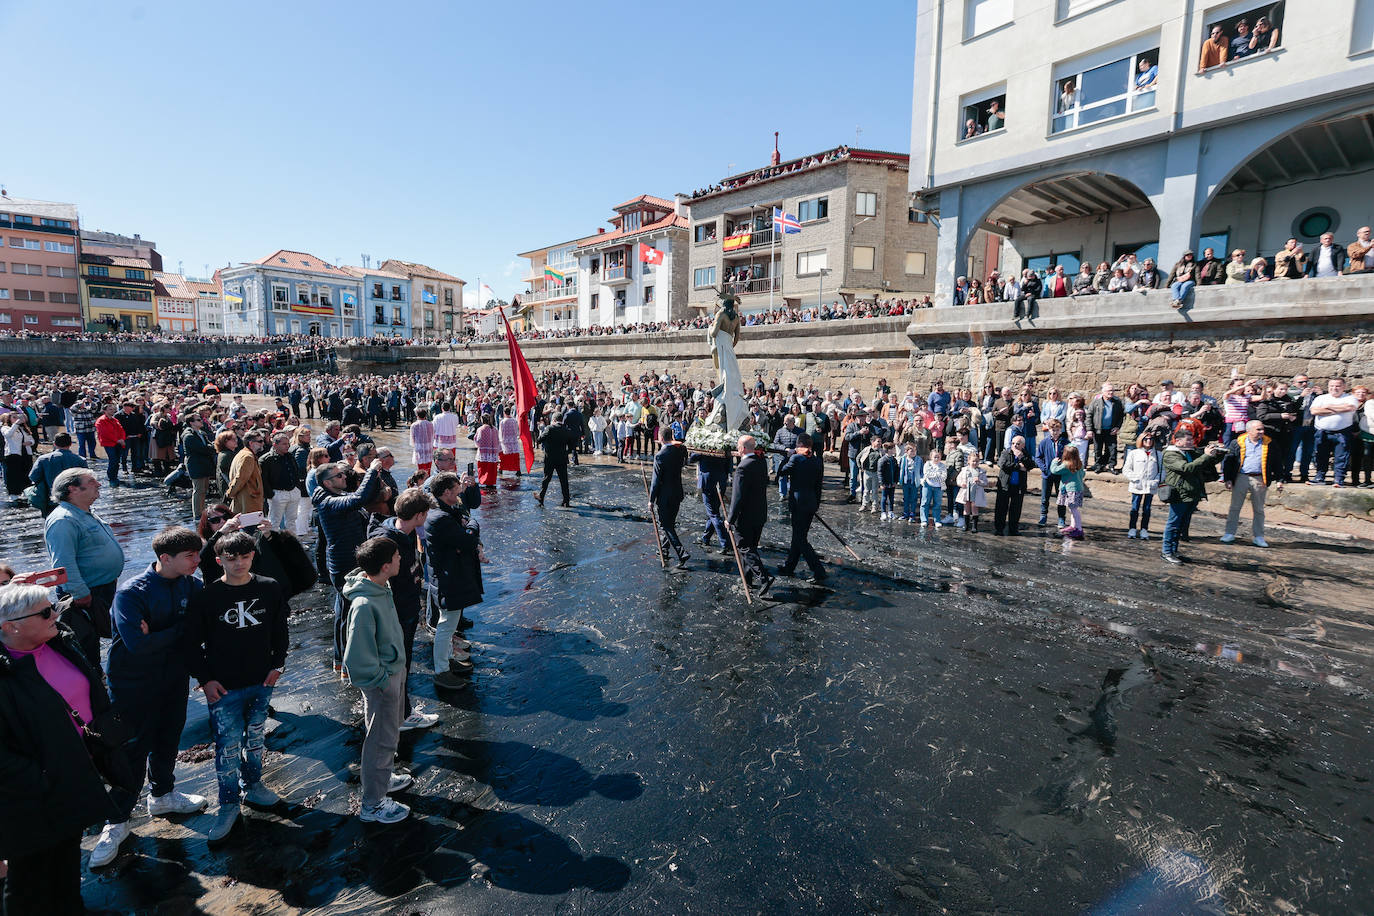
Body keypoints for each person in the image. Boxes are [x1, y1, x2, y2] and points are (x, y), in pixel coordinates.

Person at [91, 526, 210, 869]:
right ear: (165, 558)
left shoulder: (192, 584)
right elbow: (137, 646)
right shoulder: (131, 593)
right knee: (132, 747)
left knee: (169, 734)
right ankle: (116, 820)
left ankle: (163, 794)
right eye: (190, 556)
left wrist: (164, 633)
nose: (196, 562)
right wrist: (180, 630)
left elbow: (198, 629)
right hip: (133, 682)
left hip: (173, 676)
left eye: (197, 555)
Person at [0, 583, 121, 915]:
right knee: (30, 879)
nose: (55, 613)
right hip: (29, 795)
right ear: (11, 627)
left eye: (53, 605)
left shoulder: (59, 638)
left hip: (74, 775)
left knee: (67, 862)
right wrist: (42, 778)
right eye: (44, 612)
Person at [184, 531, 290, 843]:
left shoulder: (269, 588)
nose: (239, 563)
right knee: (227, 747)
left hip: (261, 680)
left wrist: (278, 664)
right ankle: (228, 804)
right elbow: (191, 644)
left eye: (245, 557)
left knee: (255, 738)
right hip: (224, 687)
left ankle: (254, 786)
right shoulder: (207, 596)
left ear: (253, 557)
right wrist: (205, 679)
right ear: (219, 561)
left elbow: (279, 629)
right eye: (231, 559)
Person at [341, 537, 413, 824]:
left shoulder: (380, 587)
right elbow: (356, 657)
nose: (400, 559)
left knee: (389, 733)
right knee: (380, 741)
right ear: (385, 566)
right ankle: (373, 804)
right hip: (382, 681)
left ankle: (383, 779)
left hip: (392, 673)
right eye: (396, 556)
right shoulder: (364, 603)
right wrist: (382, 679)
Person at [369, 488, 440, 728]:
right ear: (419, 515)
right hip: (397, 612)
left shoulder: (396, 531)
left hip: (403, 608)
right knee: (399, 664)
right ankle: (400, 716)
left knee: (400, 664)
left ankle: (399, 710)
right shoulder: (389, 541)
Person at [44, 468, 125, 666]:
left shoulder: (83, 513)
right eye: (91, 481)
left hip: (100, 589)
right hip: (85, 594)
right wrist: (80, 593)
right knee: (86, 644)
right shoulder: (63, 520)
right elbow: (63, 562)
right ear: (73, 489)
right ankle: (94, 683)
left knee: (102, 634)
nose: (98, 484)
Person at [313, 461, 385, 674]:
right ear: (327, 482)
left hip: (349, 560)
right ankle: (346, 663)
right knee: (347, 615)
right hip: (344, 564)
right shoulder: (327, 502)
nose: (345, 478)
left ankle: (342, 660)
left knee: (343, 612)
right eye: (339, 476)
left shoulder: (334, 497)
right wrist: (371, 470)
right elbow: (359, 498)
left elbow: (363, 499)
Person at [424, 473, 483, 690]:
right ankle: (441, 670)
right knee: (447, 625)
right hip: (448, 577)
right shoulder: (440, 517)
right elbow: (466, 539)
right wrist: (473, 524)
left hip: (449, 575)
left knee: (449, 623)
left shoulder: (445, 511)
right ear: (446, 492)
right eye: (457, 486)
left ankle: (448, 660)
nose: (460, 489)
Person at [1160, 426, 1226, 564]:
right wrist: (1206, 455)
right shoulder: (1171, 454)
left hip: (1192, 492)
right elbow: (1187, 468)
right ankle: (1166, 551)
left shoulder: (1189, 452)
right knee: (1173, 523)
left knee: (1182, 525)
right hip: (1179, 493)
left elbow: (1206, 461)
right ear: (1177, 441)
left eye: (1192, 440)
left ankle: (1174, 550)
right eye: (1188, 440)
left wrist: (1218, 453)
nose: (1191, 442)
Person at [726, 435, 774, 595]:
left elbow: (737, 497)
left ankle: (764, 577)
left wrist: (730, 519)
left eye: (739, 446)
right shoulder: (761, 462)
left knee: (744, 546)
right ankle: (748, 579)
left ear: (744, 448)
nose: (738, 449)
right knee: (751, 546)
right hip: (760, 512)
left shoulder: (742, 467)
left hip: (745, 516)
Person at [776, 432, 827, 582]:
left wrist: (787, 456)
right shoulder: (818, 461)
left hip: (798, 504)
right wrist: (816, 504)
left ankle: (818, 570)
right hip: (810, 503)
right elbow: (818, 487)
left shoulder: (796, 458)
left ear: (798, 445)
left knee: (800, 539)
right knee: (797, 536)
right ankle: (789, 566)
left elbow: (781, 472)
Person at [1220, 420, 1273, 548]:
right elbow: (1229, 461)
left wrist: (1280, 479)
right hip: (1241, 477)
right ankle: (1229, 533)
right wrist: (1228, 479)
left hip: (1259, 478)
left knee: (1259, 509)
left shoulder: (1270, 443)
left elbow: (1276, 461)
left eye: (1262, 429)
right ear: (1248, 431)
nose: (1261, 432)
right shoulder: (1237, 442)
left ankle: (1258, 536)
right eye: (1258, 430)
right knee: (1235, 507)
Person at [649, 427, 690, 568]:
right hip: (677, 493)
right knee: (669, 524)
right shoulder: (678, 451)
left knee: (666, 526)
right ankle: (664, 549)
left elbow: (655, 481)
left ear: (660, 438)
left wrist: (651, 500)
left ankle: (681, 552)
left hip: (665, 496)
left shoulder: (660, 455)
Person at [1310, 377, 1360, 487]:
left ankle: (1339, 479)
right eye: (1331, 386)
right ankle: (1319, 477)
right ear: (1328, 387)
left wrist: (1328, 407)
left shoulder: (1350, 398)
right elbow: (1314, 411)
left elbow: (1349, 408)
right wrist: (1337, 410)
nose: (1334, 388)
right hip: (1322, 432)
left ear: (1344, 387)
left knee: (1341, 457)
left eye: (1337, 386)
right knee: (1320, 456)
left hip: (1342, 432)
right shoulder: (1320, 398)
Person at [27, 432, 86, 518]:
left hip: (51, 500)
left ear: (54, 444)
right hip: (75, 501)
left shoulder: (43, 459)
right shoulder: (80, 460)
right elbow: (86, 481)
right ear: (70, 444)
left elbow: (33, 477)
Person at [261, 432, 307, 537]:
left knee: (292, 521)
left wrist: (297, 488)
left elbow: (295, 472)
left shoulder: (289, 456)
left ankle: (293, 543)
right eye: (284, 444)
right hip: (277, 493)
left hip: (293, 491)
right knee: (274, 522)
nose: (287, 446)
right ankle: (273, 546)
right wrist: (271, 495)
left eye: (288, 443)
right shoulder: (266, 459)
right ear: (275, 444)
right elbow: (263, 480)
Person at [994, 435, 1035, 536]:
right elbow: (1002, 464)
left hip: (1018, 486)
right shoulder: (1006, 453)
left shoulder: (1025, 454)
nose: (1015, 446)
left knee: (1016, 509)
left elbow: (1031, 465)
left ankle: (1013, 529)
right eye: (1013, 443)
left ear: (1023, 445)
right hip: (1005, 485)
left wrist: (1022, 458)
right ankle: (999, 529)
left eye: (1017, 444)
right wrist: (1018, 467)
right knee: (1001, 508)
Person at [181, 414, 217, 522]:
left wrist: (211, 446)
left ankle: (201, 511)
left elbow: (208, 446)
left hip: (203, 464)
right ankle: (197, 514)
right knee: (198, 489)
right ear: (191, 422)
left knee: (203, 489)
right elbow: (203, 448)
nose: (201, 421)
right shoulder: (189, 435)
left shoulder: (201, 433)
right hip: (196, 465)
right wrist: (213, 446)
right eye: (198, 420)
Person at [536, 413, 574, 507]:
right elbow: (571, 447)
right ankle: (566, 500)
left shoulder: (550, 428)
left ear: (554, 419)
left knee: (547, 478)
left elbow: (539, 439)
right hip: (562, 458)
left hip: (550, 458)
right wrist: (565, 453)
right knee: (564, 480)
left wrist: (544, 431)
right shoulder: (567, 430)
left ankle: (541, 497)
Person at [1035, 419, 1068, 527]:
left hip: (1061, 475)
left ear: (1061, 430)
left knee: (1061, 497)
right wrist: (1044, 468)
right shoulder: (1044, 442)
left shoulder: (1065, 443)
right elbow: (1038, 457)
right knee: (1045, 497)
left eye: (1057, 430)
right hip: (1047, 474)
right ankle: (1043, 516)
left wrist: (1064, 466)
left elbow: (1070, 457)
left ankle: (1061, 518)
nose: (1055, 432)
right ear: (1049, 430)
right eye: (1053, 430)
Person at [226, 430, 266, 515]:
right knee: (249, 527)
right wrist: (230, 493)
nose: (263, 443)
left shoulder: (245, 454)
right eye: (260, 441)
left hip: (247, 501)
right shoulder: (248, 457)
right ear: (251, 443)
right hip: (248, 502)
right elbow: (240, 478)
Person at [1050, 445, 1086, 539]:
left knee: (1074, 509)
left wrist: (1054, 462)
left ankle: (1079, 529)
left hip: (1071, 490)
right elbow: (1083, 474)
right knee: (1072, 508)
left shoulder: (1066, 464)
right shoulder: (1079, 463)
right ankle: (1073, 526)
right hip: (1078, 489)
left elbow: (1054, 470)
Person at [1088, 383, 1124, 473]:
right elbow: (1089, 415)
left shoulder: (1117, 402)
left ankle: (1111, 466)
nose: (1111, 392)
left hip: (1111, 430)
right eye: (1109, 391)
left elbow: (1121, 416)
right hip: (1098, 429)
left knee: (1112, 449)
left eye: (1112, 390)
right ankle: (1098, 465)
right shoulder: (1096, 401)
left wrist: (1117, 427)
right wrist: (1089, 429)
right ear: (1103, 392)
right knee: (1098, 449)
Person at [956, 452, 988, 533]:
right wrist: (961, 484)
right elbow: (958, 479)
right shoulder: (964, 470)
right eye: (973, 461)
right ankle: (966, 525)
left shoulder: (981, 472)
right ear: (969, 461)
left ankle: (974, 526)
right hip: (966, 492)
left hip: (976, 493)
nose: (975, 463)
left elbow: (985, 483)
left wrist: (979, 481)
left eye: (977, 461)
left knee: (974, 509)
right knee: (966, 508)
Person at [920, 451, 946, 527]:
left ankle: (937, 520)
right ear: (931, 457)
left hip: (939, 487)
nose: (936, 458)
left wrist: (934, 476)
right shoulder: (927, 464)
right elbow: (927, 474)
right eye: (935, 457)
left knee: (937, 504)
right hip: (927, 485)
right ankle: (924, 520)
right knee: (925, 502)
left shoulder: (943, 466)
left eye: (938, 457)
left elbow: (944, 477)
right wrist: (937, 475)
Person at [898, 442, 923, 522]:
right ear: (906, 451)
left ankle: (912, 514)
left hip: (915, 482)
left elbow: (921, 470)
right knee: (906, 498)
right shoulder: (903, 458)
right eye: (911, 451)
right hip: (905, 481)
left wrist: (921, 480)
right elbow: (900, 469)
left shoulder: (919, 459)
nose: (913, 453)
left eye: (915, 451)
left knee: (914, 498)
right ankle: (905, 514)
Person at [474, 414, 500, 487]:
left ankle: (483, 481)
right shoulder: (495, 429)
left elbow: (477, 440)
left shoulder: (481, 429)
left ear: (482, 420)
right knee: (492, 468)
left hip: (483, 452)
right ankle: (491, 482)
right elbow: (498, 440)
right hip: (493, 453)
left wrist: (478, 446)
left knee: (483, 468)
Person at [876, 441, 899, 521]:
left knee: (891, 498)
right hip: (885, 483)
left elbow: (896, 471)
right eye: (893, 449)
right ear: (889, 450)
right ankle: (883, 512)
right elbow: (880, 472)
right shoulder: (882, 460)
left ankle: (891, 512)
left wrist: (896, 481)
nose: (894, 450)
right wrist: (881, 483)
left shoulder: (894, 460)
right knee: (884, 497)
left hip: (892, 482)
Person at [498, 405, 522, 477]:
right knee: (514, 457)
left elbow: (500, 432)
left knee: (504, 457)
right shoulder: (514, 420)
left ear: (504, 413)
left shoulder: (502, 421)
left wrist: (500, 440)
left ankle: (501, 469)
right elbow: (517, 431)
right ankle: (517, 470)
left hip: (505, 441)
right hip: (513, 441)